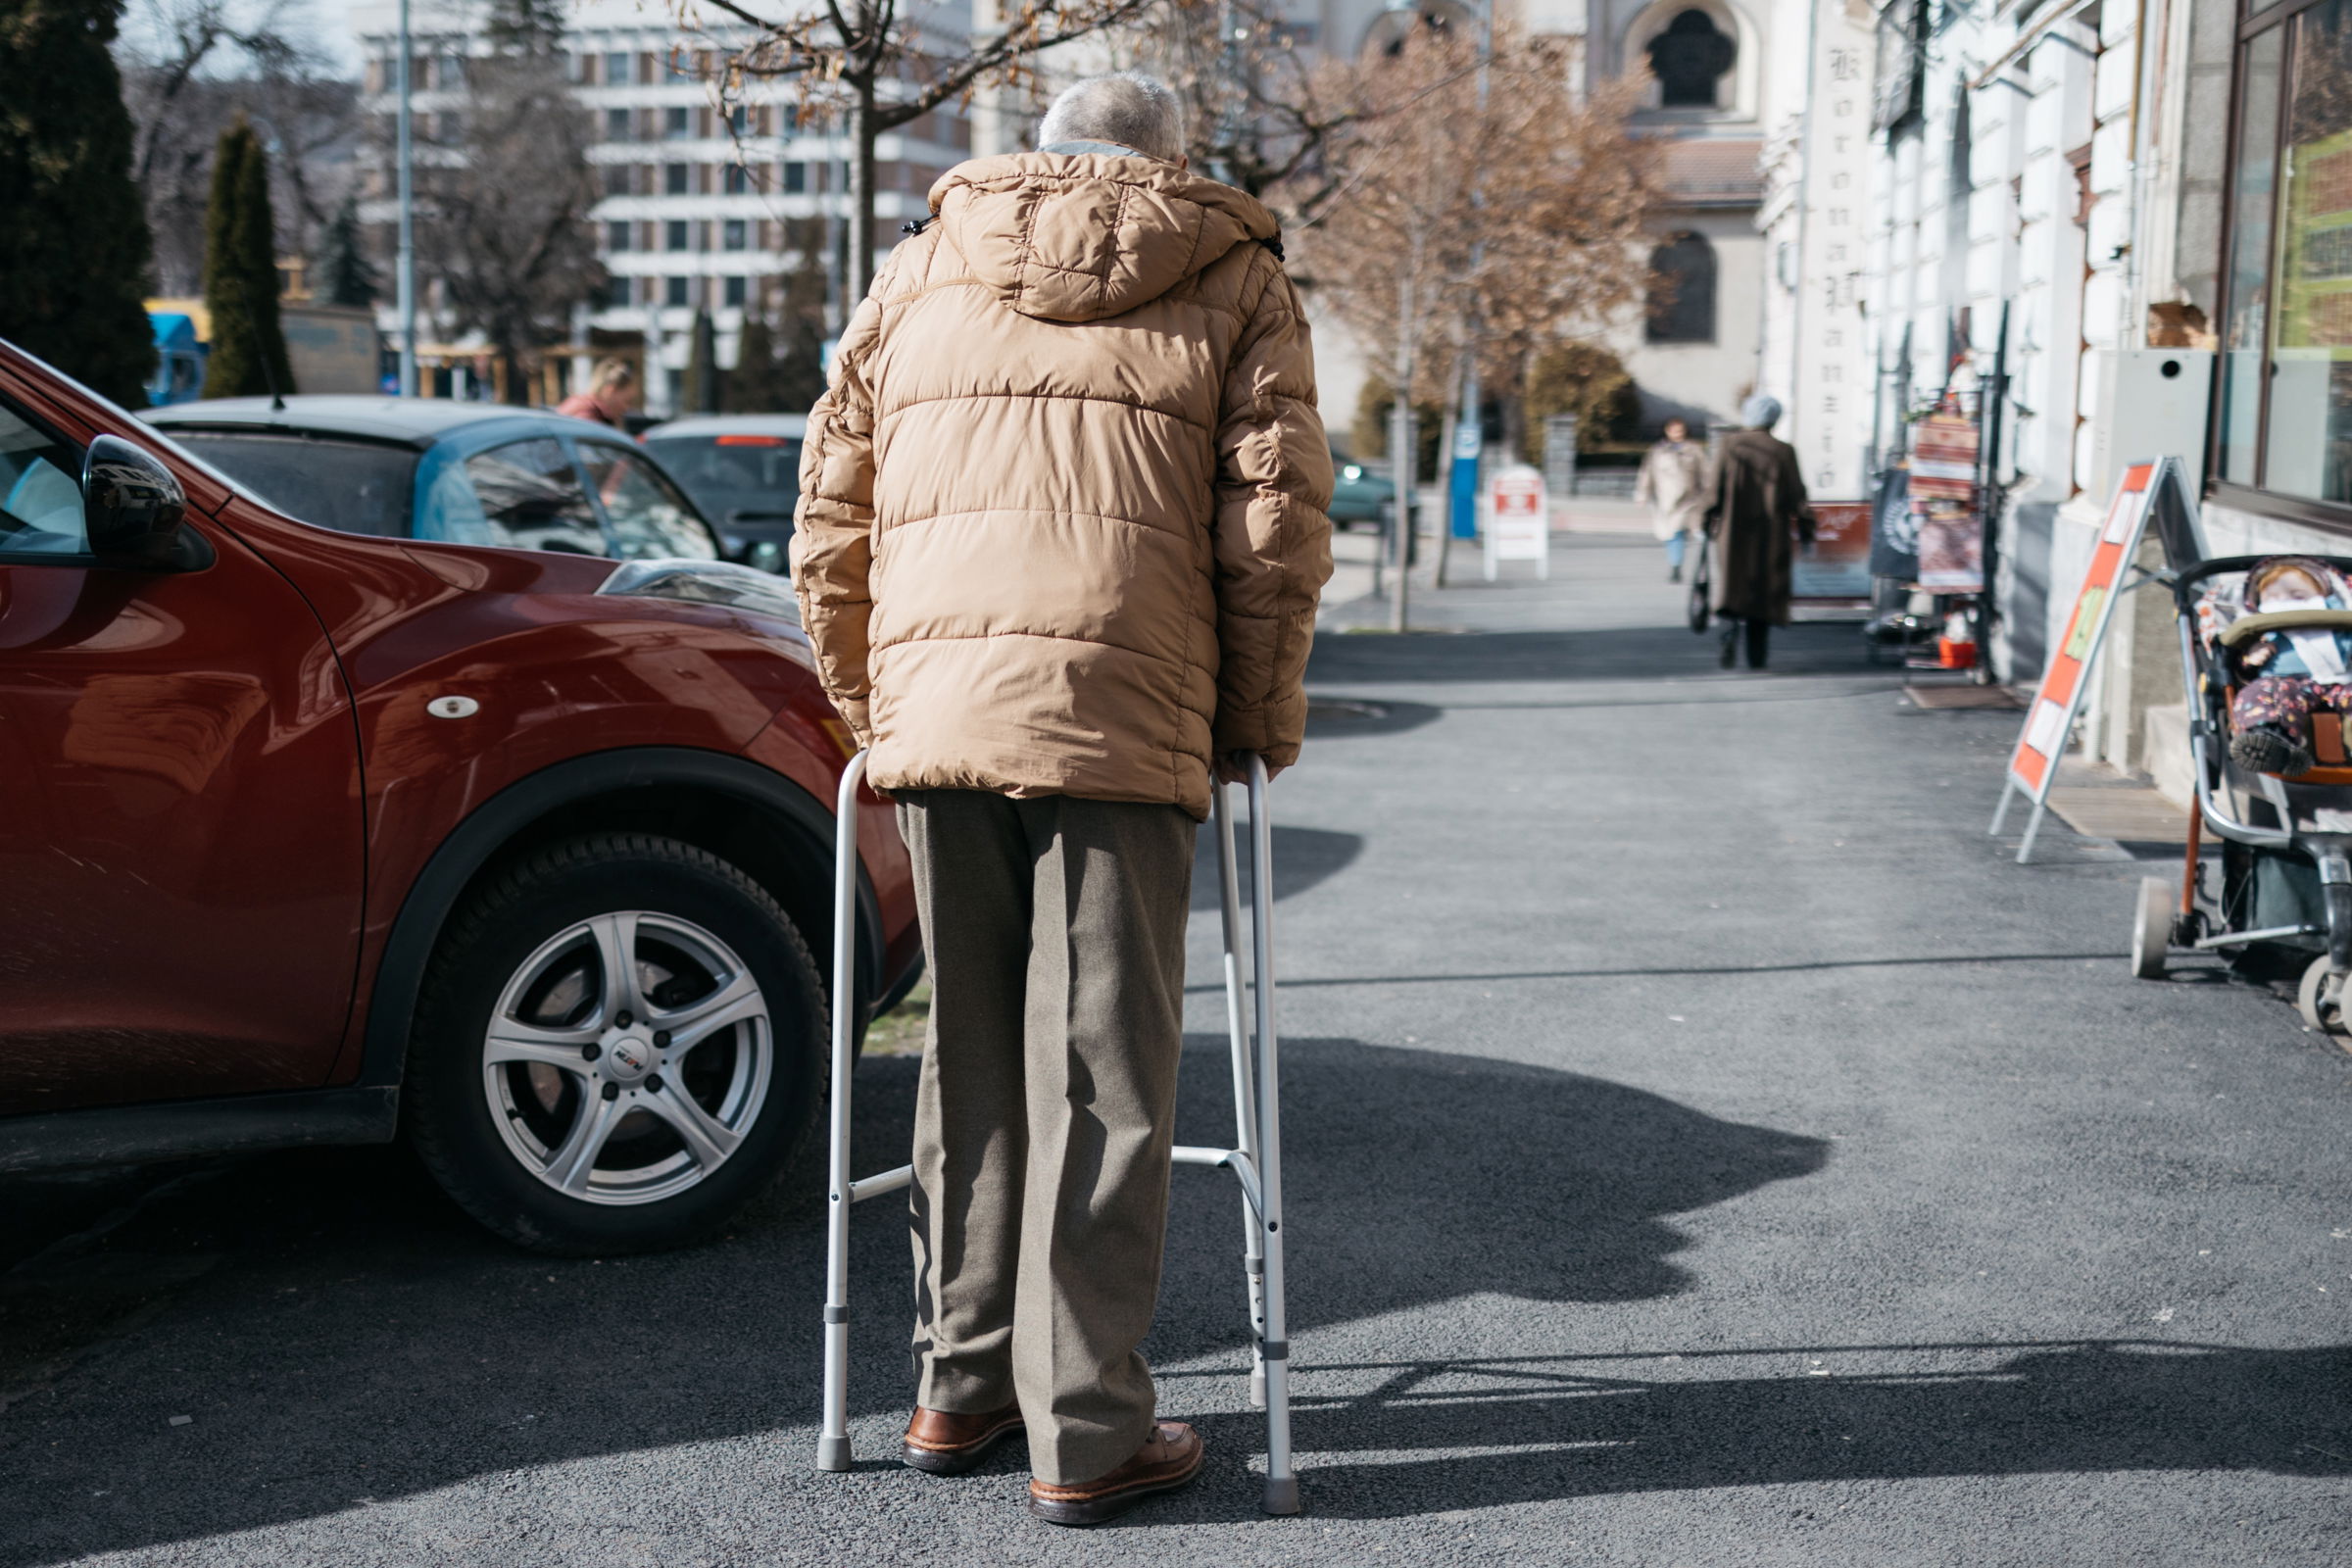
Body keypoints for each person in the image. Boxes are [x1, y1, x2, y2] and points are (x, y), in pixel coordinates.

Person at [789, 72, 1333, 1527]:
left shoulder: (915, 269)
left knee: (967, 1046)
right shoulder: (1231, 273)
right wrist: (1251, 723)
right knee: (1105, 1065)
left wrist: (875, 705)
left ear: (1039, 152)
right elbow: (1271, 523)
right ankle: (1084, 1427)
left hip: (940, 722)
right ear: (1164, 159)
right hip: (1125, 711)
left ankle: (951, 1385)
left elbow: (829, 513)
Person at [1704, 394, 1814, 669]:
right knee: (1763, 594)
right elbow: (1796, 496)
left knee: (1732, 586)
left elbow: (1713, 488)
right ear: (1774, 419)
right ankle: (1757, 656)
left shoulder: (1729, 446)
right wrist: (1806, 529)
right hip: (1771, 532)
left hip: (1732, 532)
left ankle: (1727, 637)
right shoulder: (1783, 450)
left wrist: (1706, 521)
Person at [2228, 557, 2352, 777]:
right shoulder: (2266, 631)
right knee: (2265, 692)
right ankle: (2271, 740)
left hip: (2340, 682)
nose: (2286, 604)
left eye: (2298, 596)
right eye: (2274, 599)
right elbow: (2243, 670)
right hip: (2287, 682)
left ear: (2324, 597)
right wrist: (2252, 657)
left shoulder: (2339, 626)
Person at [1635, 417, 1707, 582]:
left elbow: (1705, 473)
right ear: (1667, 431)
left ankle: (1676, 566)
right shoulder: (1658, 451)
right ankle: (1676, 562)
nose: (1677, 433)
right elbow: (1647, 473)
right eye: (1674, 430)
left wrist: (1708, 494)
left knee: (1678, 532)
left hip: (1688, 499)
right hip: (1666, 500)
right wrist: (1642, 495)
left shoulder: (1694, 450)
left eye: (1680, 430)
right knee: (1670, 533)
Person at [556, 358, 635, 426]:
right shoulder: (589, 416)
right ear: (611, 390)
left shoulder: (578, 403)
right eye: (626, 401)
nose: (626, 408)